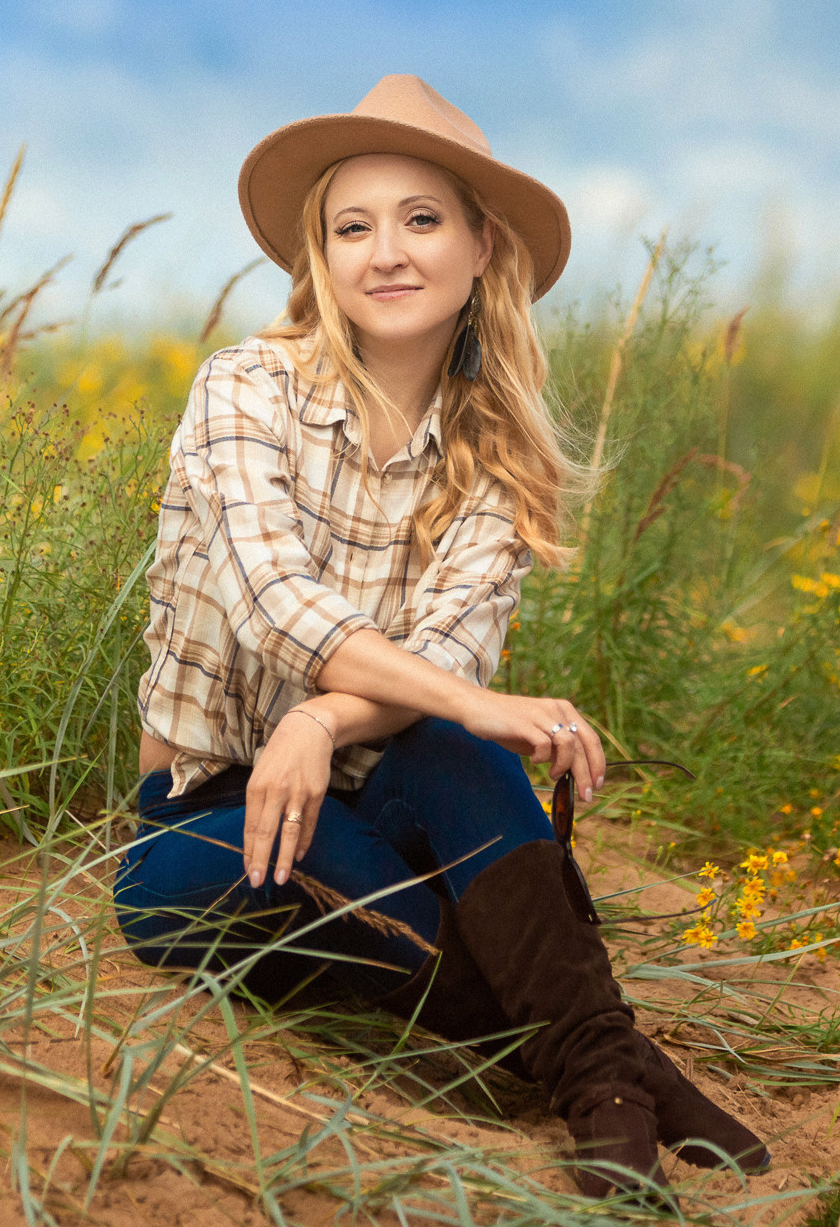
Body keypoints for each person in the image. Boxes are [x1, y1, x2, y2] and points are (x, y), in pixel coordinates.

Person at [113, 75, 771, 1197]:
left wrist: (326, 717)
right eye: (352, 226)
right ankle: (608, 1059)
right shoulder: (243, 392)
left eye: (421, 218)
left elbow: (446, 666)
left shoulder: (499, 456)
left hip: (396, 792)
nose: (387, 252)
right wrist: (464, 702)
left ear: (481, 245)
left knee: (455, 754)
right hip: (210, 820)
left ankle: (600, 1079)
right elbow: (276, 604)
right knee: (338, 827)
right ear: (320, 255)